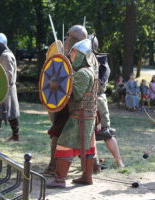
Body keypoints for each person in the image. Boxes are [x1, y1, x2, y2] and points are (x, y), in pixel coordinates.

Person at [47, 39, 99, 188]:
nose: (71, 56)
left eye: (75, 53)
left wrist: (58, 84)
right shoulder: (91, 71)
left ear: (83, 56)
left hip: (79, 116)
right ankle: (87, 176)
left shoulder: (83, 73)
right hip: (87, 116)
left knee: (64, 144)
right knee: (88, 146)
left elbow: (75, 93)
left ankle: (60, 179)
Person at [42, 25, 88, 176]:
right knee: (61, 133)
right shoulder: (70, 57)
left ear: (74, 40)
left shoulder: (82, 60)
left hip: (78, 105)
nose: (66, 39)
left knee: (58, 134)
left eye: (68, 37)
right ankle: (90, 169)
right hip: (70, 104)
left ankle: (54, 168)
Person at [93, 35, 124, 169]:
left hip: (97, 101)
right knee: (86, 135)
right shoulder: (86, 61)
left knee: (106, 133)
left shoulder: (101, 63)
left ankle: (119, 162)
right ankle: (93, 163)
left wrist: (98, 119)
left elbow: (97, 86)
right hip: (86, 102)